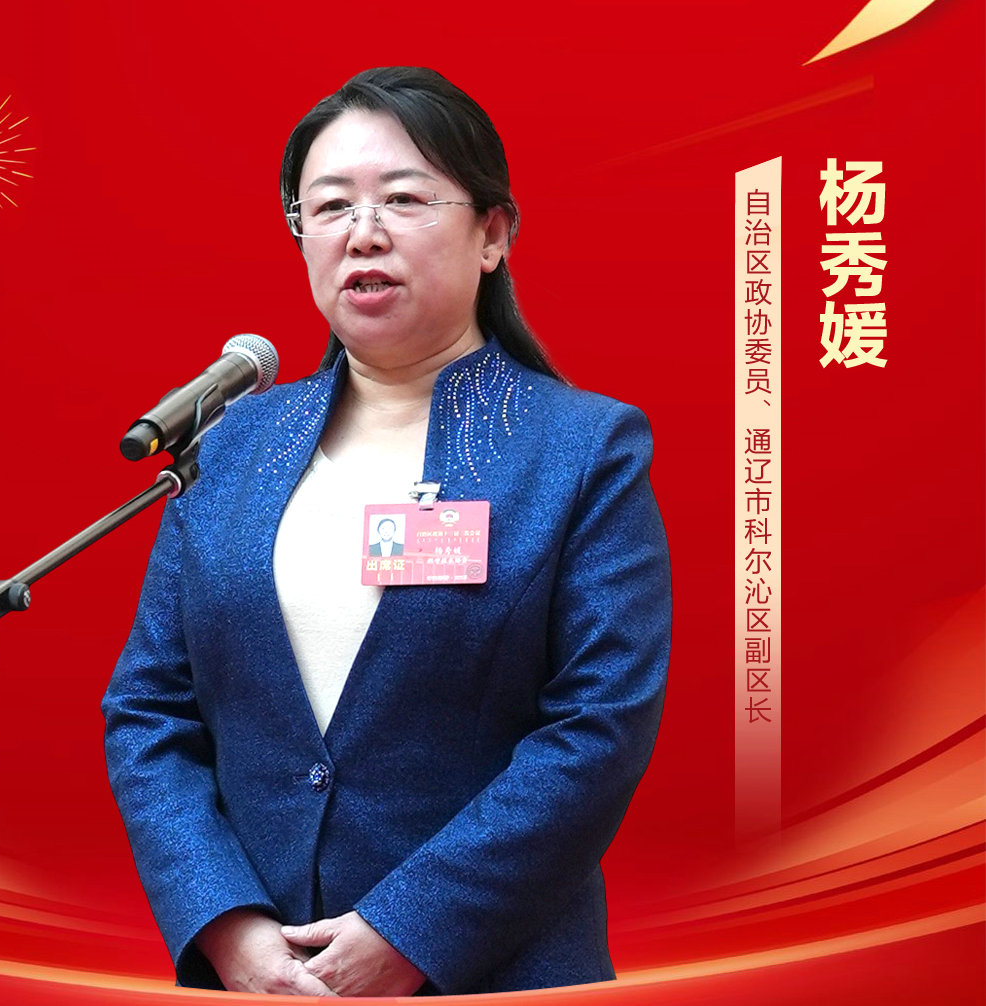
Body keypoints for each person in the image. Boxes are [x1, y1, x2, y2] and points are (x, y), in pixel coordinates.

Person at [102, 66, 671, 996]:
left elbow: (598, 728)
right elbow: (149, 711)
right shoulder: (232, 445)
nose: (362, 232)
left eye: (403, 199)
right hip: (260, 979)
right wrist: (228, 930)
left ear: (493, 234)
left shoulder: (581, 448)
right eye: (329, 207)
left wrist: (406, 933)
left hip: (496, 975)